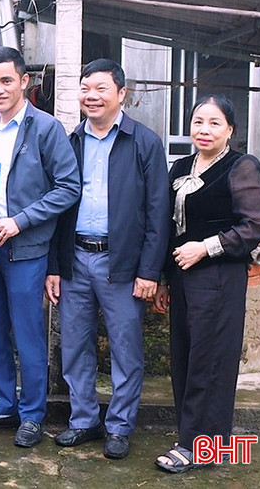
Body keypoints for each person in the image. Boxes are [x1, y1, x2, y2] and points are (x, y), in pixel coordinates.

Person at [45, 58, 170, 460]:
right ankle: (83, 420)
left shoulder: (145, 142)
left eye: (100, 88)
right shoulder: (70, 141)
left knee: (125, 349)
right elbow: (55, 208)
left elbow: (157, 212)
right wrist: (54, 266)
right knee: (75, 346)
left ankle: (119, 426)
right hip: (75, 259)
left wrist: (150, 271)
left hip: (122, 264)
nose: (91, 96)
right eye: (85, 88)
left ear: (121, 94)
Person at [0, 46, 80, 447]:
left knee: (28, 335)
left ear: (24, 81)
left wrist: (19, 221)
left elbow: (68, 188)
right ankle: (3, 405)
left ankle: (32, 414)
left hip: (27, 250)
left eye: (6, 81)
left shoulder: (45, 129)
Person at [154, 94, 260, 473]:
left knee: (210, 362)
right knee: (185, 360)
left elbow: (253, 225)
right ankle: (203, 443)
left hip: (219, 277)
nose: (204, 130)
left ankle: (194, 446)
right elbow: (169, 228)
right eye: (198, 121)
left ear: (230, 130)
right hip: (184, 278)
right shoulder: (181, 167)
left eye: (214, 122)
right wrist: (164, 281)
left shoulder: (241, 166)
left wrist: (205, 248)